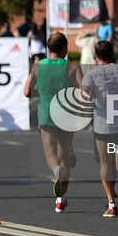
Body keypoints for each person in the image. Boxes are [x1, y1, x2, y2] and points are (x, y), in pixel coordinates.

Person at [80, 38, 118, 217]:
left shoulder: (92, 74)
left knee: (105, 162)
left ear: (96, 56)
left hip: (103, 123)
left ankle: (112, 203)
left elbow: (84, 96)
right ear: (111, 54)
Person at [25, 32, 77, 212]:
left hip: (46, 114)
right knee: (64, 157)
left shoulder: (38, 66)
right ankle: (61, 200)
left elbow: (26, 91)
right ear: (64, 48)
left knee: (50, 154)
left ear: (48, 49)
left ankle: (56, 173)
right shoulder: (71, 67)